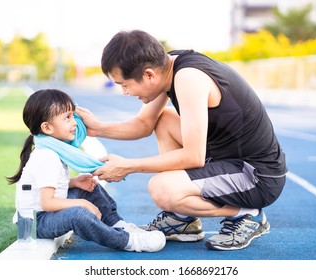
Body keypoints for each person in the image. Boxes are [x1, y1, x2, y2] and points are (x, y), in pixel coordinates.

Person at [76, 30, 288, 251]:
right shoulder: (166, 66)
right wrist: (98, 128)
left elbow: (193, 157)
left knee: (162, 188)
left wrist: (128, 166)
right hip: (226, 159)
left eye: (125, 85)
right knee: (164, 119)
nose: (125, 92)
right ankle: (182, 220)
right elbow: (144, 124)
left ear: (149, 75)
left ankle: (247, 215)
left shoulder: (188, 78)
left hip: (257, 175)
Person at [6, 88, 166, 252]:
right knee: (78, 214)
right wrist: (82, 203)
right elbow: (47, 203)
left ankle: (119, 225)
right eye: (67, 118)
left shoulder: (55, 149)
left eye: (72, 116)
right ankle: (128, 241)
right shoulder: (47, 156)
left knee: (90, 186)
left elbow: (47, 185)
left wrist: (74, 182)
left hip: (45, 213)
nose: (74, 122)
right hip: (36, 222)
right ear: (47, 128)